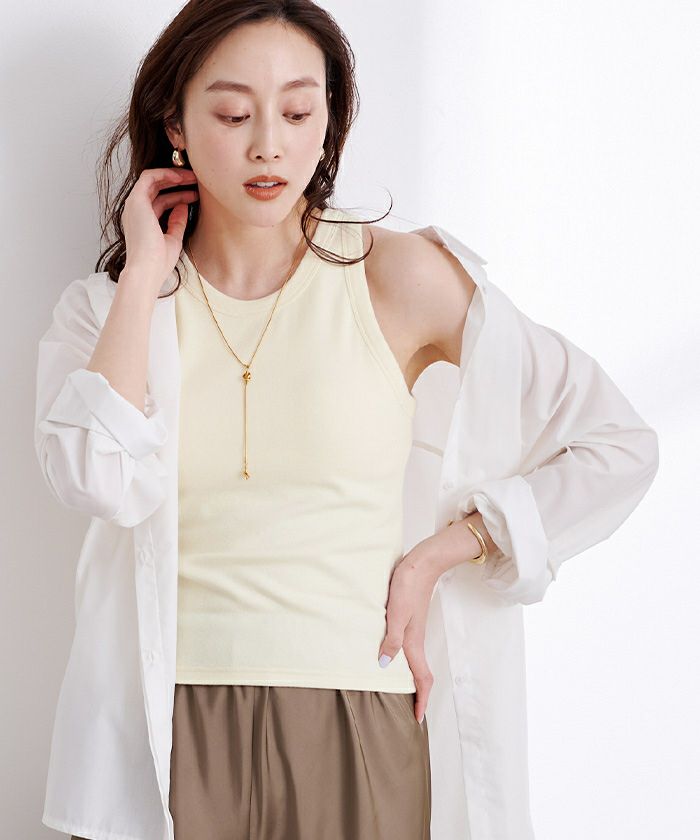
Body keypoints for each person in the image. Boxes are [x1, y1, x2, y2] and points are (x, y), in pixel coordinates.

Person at [34, 2, 659, 840]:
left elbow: (616, 442)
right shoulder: (108, 311)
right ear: (174, 125)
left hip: (356, 716)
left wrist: (444, 552)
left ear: (330, 121)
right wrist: (145, 272)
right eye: (233, 115)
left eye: (298, 112)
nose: (269, 145)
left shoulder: (396, 276)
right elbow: (94, 481)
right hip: (156, 731)